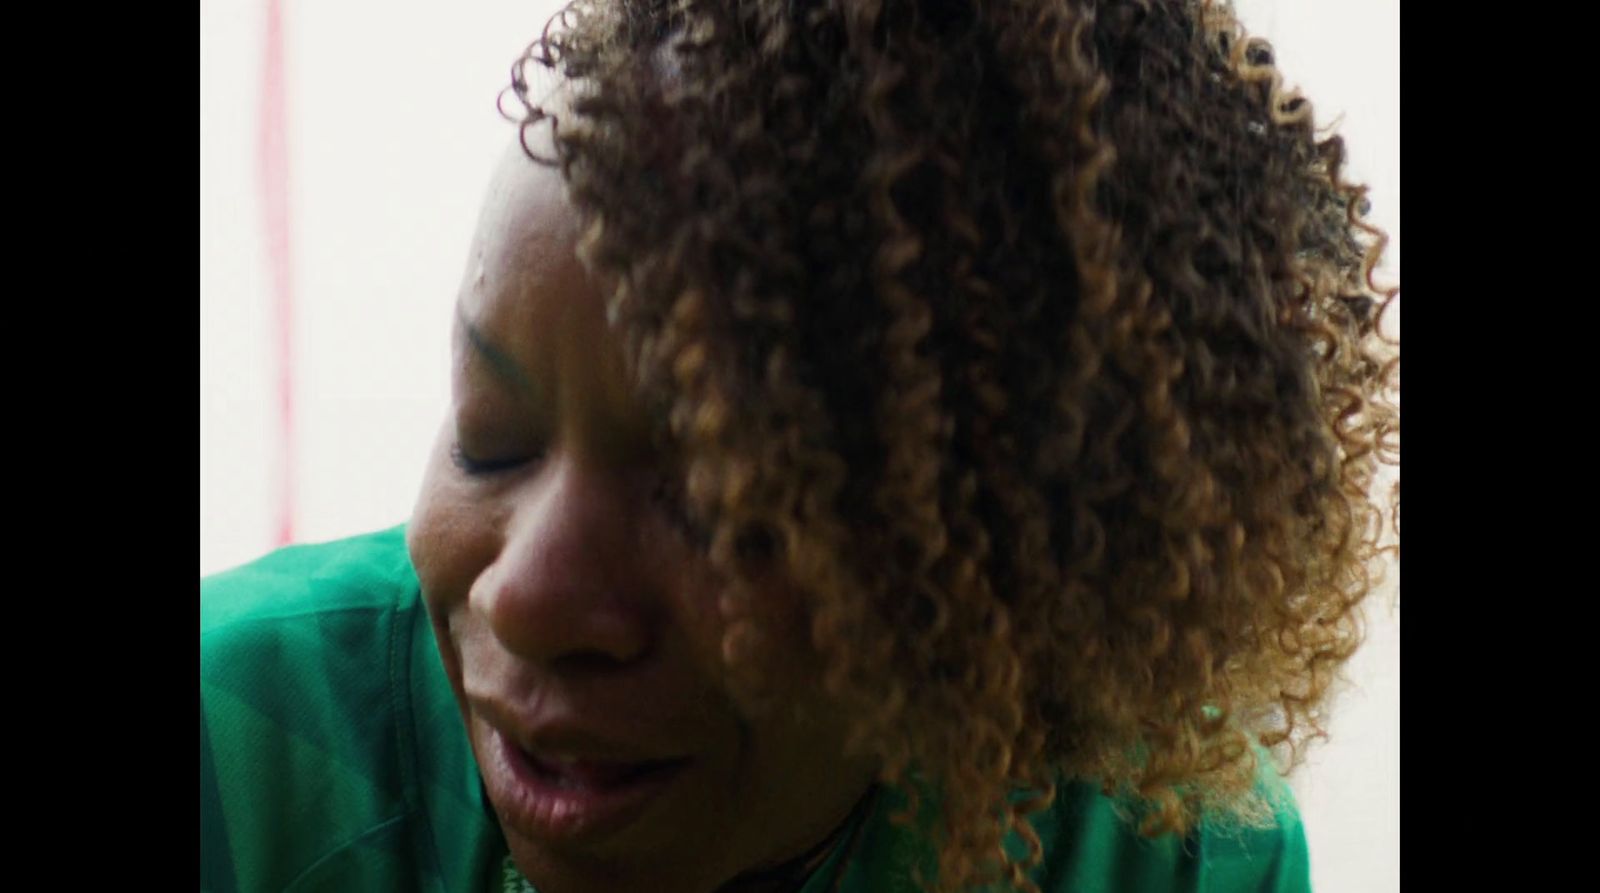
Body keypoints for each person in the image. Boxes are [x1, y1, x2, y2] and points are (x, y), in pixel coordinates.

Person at [199, 1, 1399, 891]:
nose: (526, 594)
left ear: (1018, 567)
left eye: (727, 503)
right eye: (489, 440)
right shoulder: (244, 765)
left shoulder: (1169, 854)